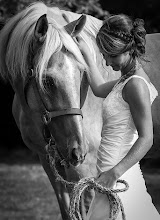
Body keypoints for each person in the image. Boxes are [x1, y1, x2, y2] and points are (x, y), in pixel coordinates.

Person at [77, 14, 160, 219]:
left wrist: (114, 174)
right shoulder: (125, 81)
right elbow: (97, 88)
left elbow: (146, 138)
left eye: (111, 55)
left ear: (127, 49)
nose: (106, 61)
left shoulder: (135, 85)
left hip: (118, 175)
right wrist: (87, 54)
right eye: (104, 55)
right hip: (107, 174)